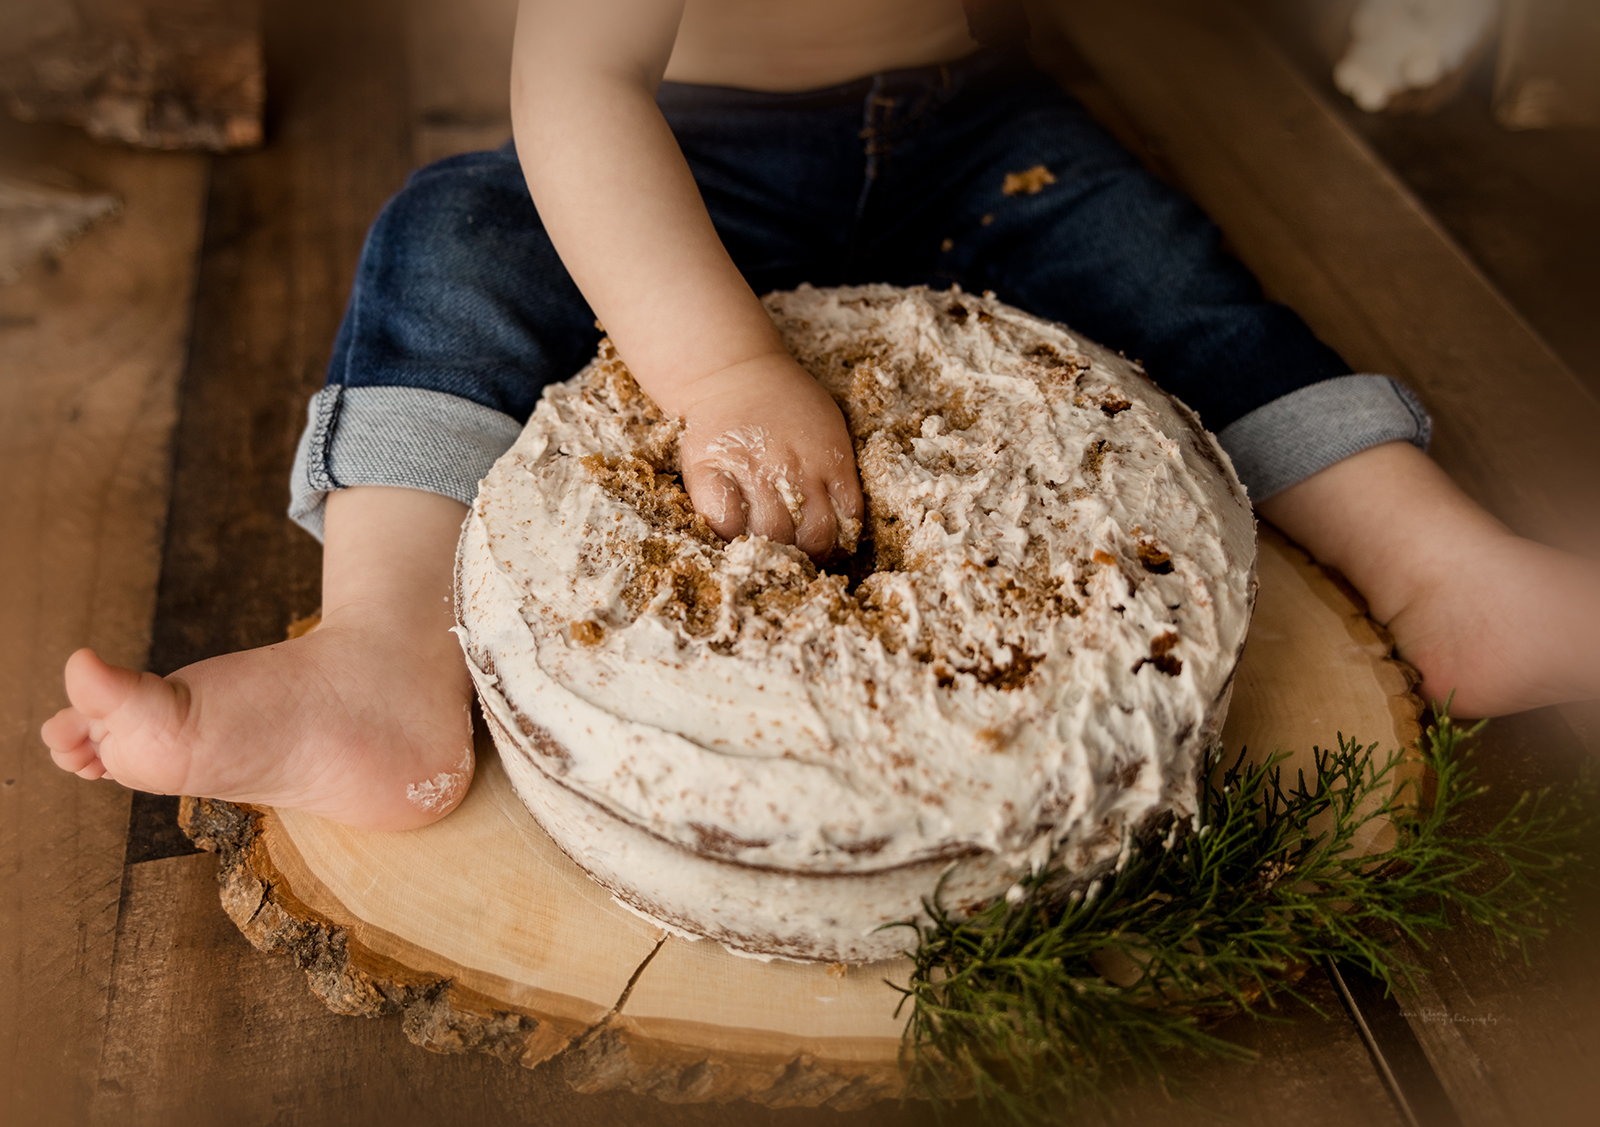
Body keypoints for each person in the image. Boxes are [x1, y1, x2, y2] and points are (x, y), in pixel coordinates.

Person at [41, 0, 1600, 830]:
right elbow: (575, 94)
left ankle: (1435, 572)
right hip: (675, 156)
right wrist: (717, 371)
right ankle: (380, 656)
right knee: (454, 240)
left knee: (1153, 255)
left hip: (962, 136)